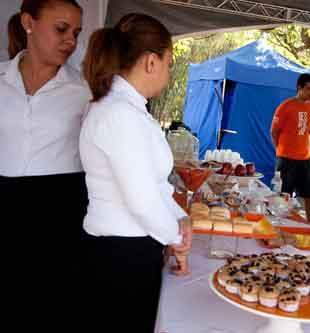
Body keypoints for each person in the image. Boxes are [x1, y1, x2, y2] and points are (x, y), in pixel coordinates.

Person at [80, 13, 192, 332]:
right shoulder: (117, 114)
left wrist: (179, 219)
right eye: (169, 63)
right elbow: (142, 201)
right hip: (120, 256)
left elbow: (155, 185)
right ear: (150, 62)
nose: (168, 74)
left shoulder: (129, 111)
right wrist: (176, 237)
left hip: (133, 250)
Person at [1, 0, 89, 329]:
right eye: (61, 29)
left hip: (59, 216)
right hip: (4, 210)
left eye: (76, 32)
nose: (71, 40)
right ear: (28, 23)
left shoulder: (84, 92)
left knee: (49, 310)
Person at [271, 73, 310, 224]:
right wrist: (279, 150)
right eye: (309, 88)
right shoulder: (285, 106)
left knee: (309, 194)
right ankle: (282, 225)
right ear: (299, 87)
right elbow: (274, 131)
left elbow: (309, 131)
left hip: (305, 158)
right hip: (286, 159)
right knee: (284, 195)